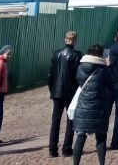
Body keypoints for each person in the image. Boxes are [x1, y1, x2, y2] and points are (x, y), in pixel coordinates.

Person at [71, 44, 115, 165]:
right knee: (100, 137)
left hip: (83, 106)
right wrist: (109, 66)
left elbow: (79, 81)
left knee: (81, 136)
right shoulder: (103, 70)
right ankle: (101, 163)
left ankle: (76, 163)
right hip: (99, 107)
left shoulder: (81, 67)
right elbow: (111, 83)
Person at [47, 30, 81, 158]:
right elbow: (78, 75)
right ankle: (66, 148)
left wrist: (52, 90)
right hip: (71, 91)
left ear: (65, 39)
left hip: (57, 92)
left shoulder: (56, 53)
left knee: (55, 121)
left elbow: (49, 75)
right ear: (75, 40)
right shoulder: (77, 55)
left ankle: (52, 149)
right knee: (70, 120)